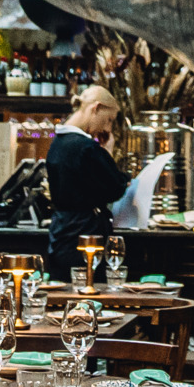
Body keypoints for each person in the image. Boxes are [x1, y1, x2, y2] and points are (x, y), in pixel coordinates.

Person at [45, 84, 129, 277]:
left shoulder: (57, 143)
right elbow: (114, 188)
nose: (107, 127)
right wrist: (107, 153)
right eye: (108, 120)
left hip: (61, 233)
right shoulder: (85, 148)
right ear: (96, 108)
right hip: (84, 236)